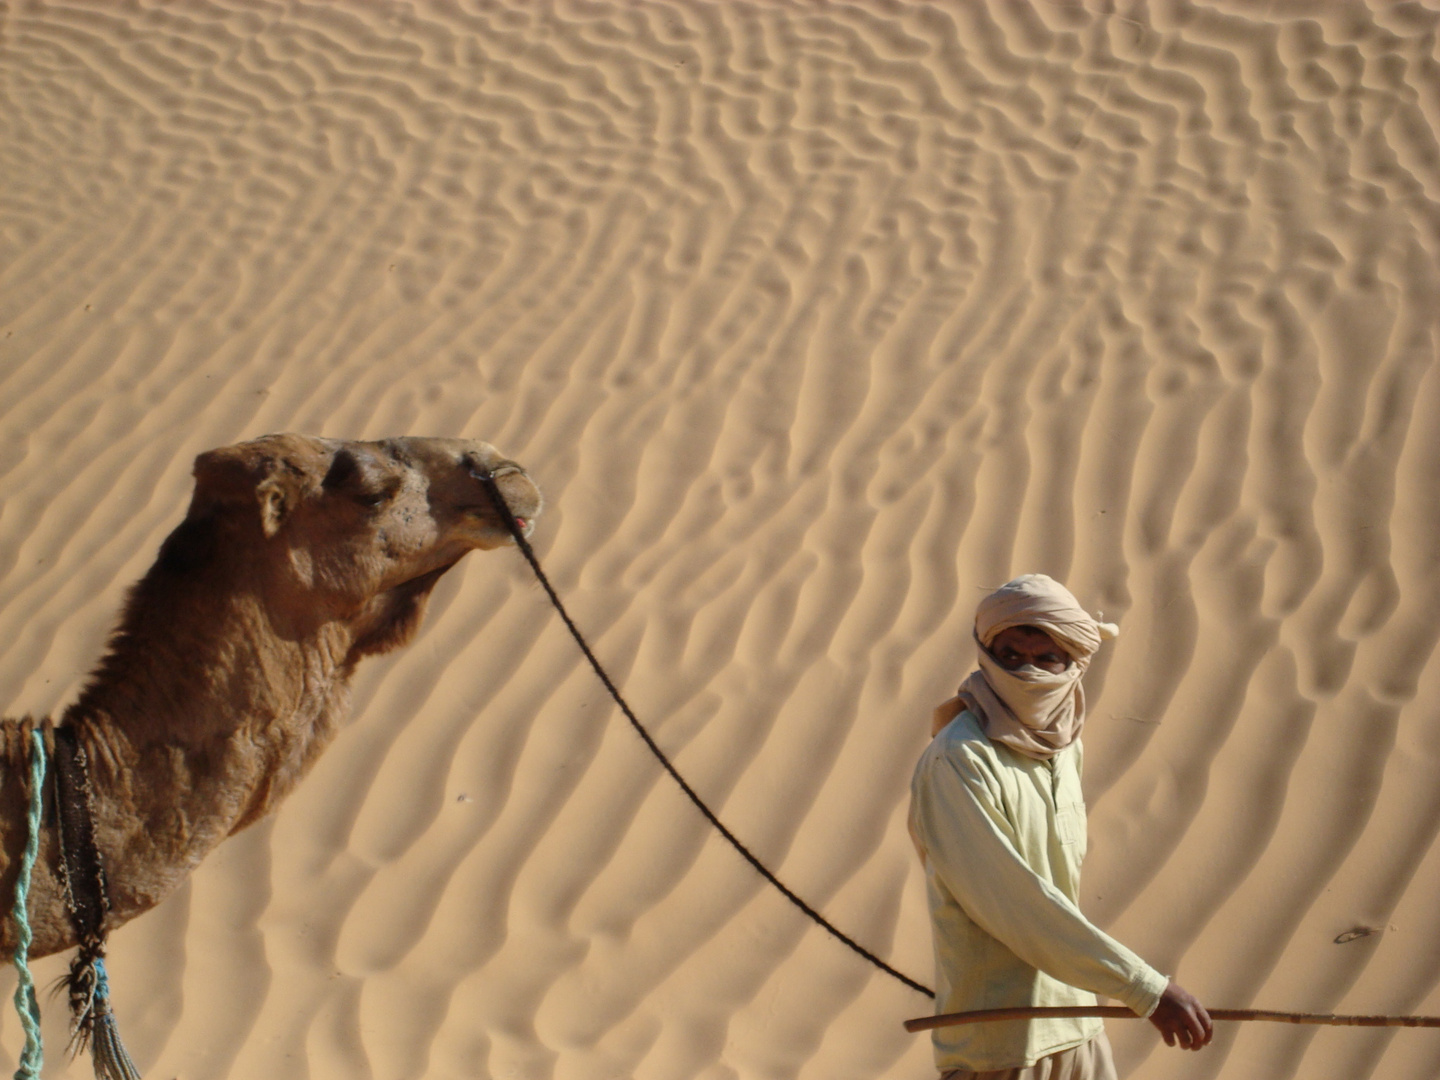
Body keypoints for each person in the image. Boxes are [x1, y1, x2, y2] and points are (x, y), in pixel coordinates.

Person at [909, 574, 1212, 1080]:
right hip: (999, 1046)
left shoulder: (1064, 745)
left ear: (1074, 662)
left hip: (1078, 1027)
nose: (1027, 671)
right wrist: (1145, 989)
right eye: (1009, 655)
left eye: (1046, 657)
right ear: (985, 653)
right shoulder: (959, 761)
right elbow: (1016, 903)